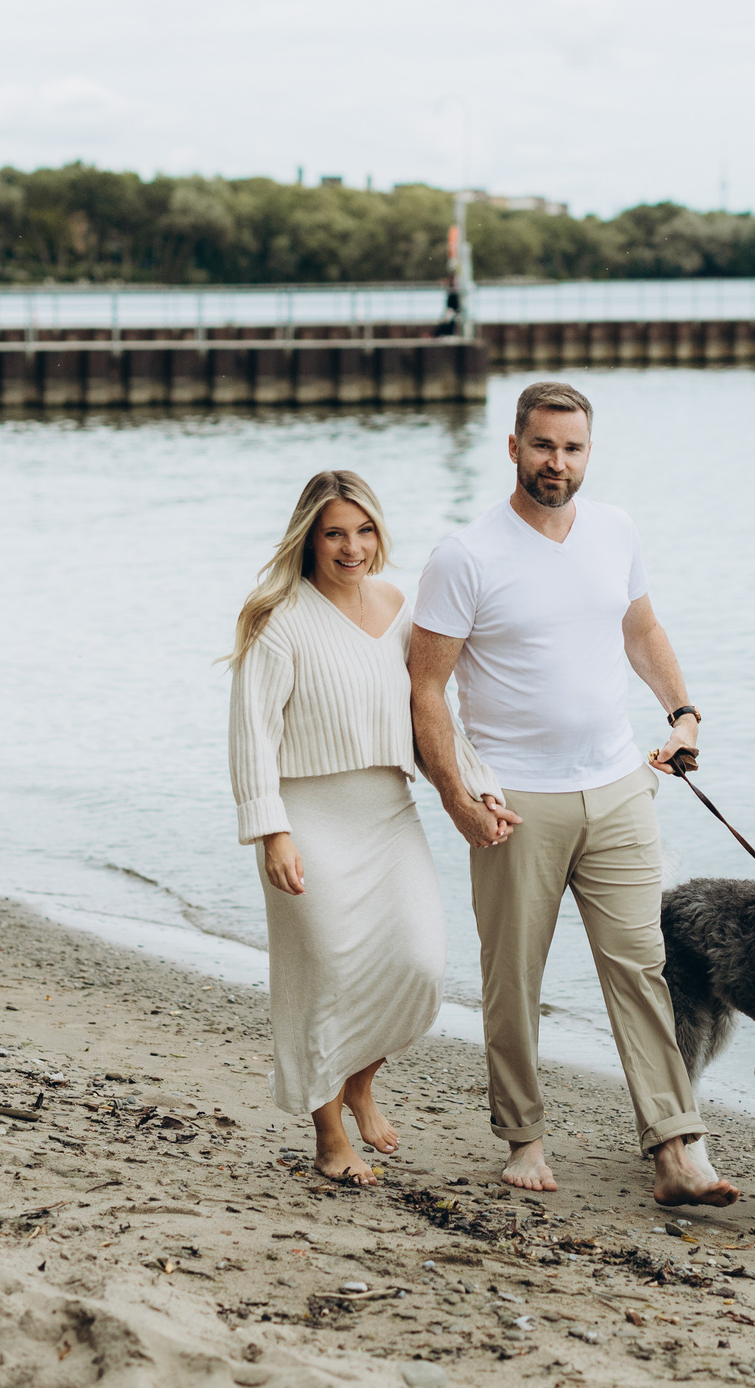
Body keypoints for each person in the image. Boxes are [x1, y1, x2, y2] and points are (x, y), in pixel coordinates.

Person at [409, 380, 738, 1205]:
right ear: (514, 446)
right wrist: (456, 794)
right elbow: (425, 691)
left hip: (622, 784)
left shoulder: (615, 530)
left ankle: (675, 1148)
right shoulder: (465, 555)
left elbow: (641, 628)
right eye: (544, 445)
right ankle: (523, 1136)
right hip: (515, 799)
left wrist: (684, 713)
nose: (558, 462)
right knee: (514, 975)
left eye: (574, 447)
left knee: (643, 967)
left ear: (589, 452)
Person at [228, 470, 509, 1185]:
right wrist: (271, 829)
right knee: (322, 978)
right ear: (309, 539)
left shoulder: (403, 609)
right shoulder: (278, 616)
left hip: (390, 812)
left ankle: (360, 1079)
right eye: (334, 533)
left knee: (419, 965)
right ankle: (329, 1138)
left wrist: (480, 786)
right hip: (309, 819)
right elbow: (252, 732)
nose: (351, 546)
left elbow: (429, 710)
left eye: (363, 530)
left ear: (379, 534)